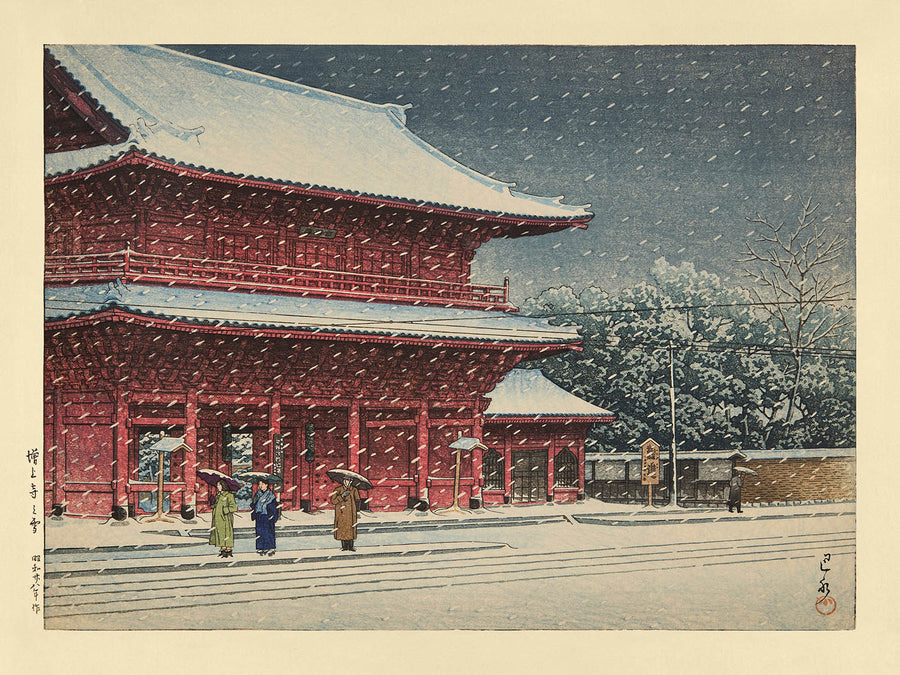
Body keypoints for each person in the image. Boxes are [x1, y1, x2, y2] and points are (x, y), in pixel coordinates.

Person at [251, 478, 279, 556]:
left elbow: (273, 506)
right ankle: (260, 547)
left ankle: (270, 548)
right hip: (259, 515)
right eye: (259, 484)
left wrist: (271, 513)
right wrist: (254, 505)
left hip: (267, 515)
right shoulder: (257, 494)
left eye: (262, 484)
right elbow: (254, 504)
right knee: (260, 532)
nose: (261, 486)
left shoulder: (270, 495)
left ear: (266, 485)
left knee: (268, 532)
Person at [209, 480, 237, 557]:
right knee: (220, 533)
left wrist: (225, 510)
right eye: (217, 485)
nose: (218, 487)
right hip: (218, 518)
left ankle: (228, 550)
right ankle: (223, 549)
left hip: (225, 518)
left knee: (227, 533)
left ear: (223, 486)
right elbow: (216, 505)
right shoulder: (218, 495)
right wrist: (212, 503)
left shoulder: (229, 495)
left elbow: (234, 507)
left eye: (219, 485)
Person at [330, 478, 360, 551]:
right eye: (346, 480)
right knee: (342, 528)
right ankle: (344, 546)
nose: (347, 482)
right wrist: (342, 496)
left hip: (351, 512)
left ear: (351, 481)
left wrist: (357, 509)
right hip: (341, 512)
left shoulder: (354, 490)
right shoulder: (338, 489)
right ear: (343, 481)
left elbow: (358, 500)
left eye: (349, 481)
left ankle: (351, 546)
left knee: (351, 529)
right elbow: (333, 501)